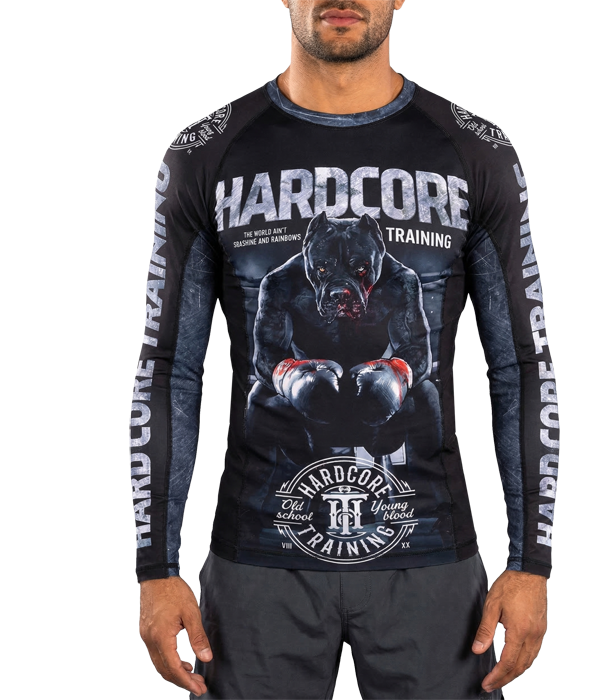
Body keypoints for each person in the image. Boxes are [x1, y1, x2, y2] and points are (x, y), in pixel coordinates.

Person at [130, 1, 559, 698]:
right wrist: (154, 567)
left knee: (404, 386)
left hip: (428, 548)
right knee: (291, 386)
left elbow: (523, 367)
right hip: (259, 551)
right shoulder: (210, 152)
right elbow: (166, 369)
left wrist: (534, 561)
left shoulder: (470, 149)